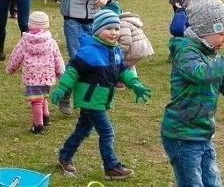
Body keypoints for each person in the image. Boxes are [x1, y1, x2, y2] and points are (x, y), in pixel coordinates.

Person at [162, 0, 224, 186]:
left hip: (203, 134)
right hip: (182, 135)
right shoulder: (186, 53)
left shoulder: (212, 54)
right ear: (205, 30)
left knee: (213, 183)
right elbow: (202, 74)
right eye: (223, 34)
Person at [52, 10, 152, 181]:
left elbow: (123, 71)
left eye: (116, 28)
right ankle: (111, 167)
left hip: (100, 99)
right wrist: (62, 89)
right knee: (107, 132)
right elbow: (72, 71)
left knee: (83, 130)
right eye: (109, 28)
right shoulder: (88, 52)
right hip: (91, 100)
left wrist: (135, 83)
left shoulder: (116, 51)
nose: (114, 32)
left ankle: (65, 156)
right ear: (97, 30)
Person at [56, 0, 115, 115]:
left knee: (92, 60)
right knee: (78, 60)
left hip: (93, 22)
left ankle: (85, 100)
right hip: (73, 21)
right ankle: (66, 96)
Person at [5, 11, 65, 134]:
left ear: (30, 25)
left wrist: (11, 69)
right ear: (46, 25)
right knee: (43, 97)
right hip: (47, 76)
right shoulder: (51, 42)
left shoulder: (25, 41)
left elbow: (16, 56)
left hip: (32, 77)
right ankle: (46, 116)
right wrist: (60, 73)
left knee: (36, 101)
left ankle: (38, 126)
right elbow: (58, 58)